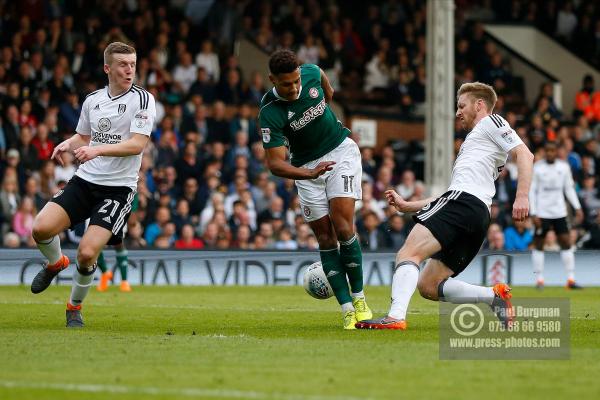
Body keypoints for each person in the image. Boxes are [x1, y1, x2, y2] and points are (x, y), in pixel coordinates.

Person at [356, 82, 533, 330]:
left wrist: (522, 195)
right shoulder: (477, 143)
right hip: (476, 213)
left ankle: (395, 317)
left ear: (479, 105)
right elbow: (451, 195)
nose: (457, 112)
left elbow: (525, 154)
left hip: (464, 205)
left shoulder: (492, 123)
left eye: (462, 105)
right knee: (429, 286)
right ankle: (494, 297)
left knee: (408, 254)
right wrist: (409, 206)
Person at [30, 42, 156, 328]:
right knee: (40, 229)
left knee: (86, 253)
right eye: (123, 65)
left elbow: (137, 145)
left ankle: (74, 306)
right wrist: (68, 142)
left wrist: (96, 150)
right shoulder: (93, 100)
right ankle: (55, 263)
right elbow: (84, 137)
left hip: (118, 189)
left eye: (133, 64)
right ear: (107, 68)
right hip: (85, 181)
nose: (130, 70)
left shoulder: (143, 100)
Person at [259, 49, 371, 330]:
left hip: (340, 152)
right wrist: (308, 173)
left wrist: (327, 102)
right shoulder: (269, 112)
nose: (295, 87)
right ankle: (346, 309)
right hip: (305, 169)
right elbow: (275, 164)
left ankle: (359, 300)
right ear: (272, 79)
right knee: (324, 237)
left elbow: (323, 80)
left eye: (296, 81)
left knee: (343, 226)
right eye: (287, 84)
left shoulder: (309, 72)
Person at [530, 141, 583, 289]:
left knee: (566, 242)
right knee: (539, 243)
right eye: (548, 150)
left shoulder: (564, 167)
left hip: (559, 211)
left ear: (557, 152)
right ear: (545, 151)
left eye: (553, 151)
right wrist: (533, 213)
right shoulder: (538, 168)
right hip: (542, 212)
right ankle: (539, 280)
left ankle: (571, 279)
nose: (550, 153)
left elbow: (569, 189)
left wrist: (577, 207)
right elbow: (531, 190)